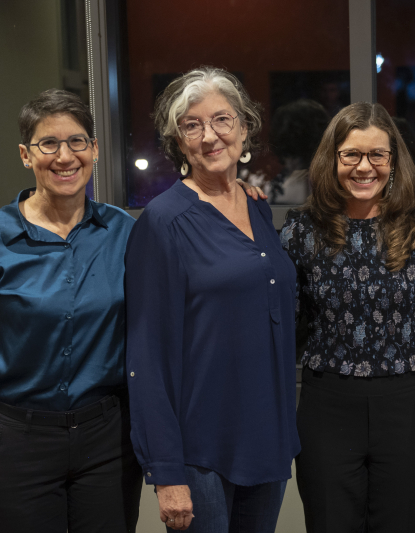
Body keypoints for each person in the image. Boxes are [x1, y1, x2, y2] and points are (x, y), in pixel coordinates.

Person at [0, 89, 143, 532]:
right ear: (24, 155)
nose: (63, 156)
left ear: (93, 149)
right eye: (47, 143)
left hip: (107, 441)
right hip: (17, 441)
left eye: (76, 142)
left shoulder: (125, 233)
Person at [125, 67, 299, 532]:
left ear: (245, 129)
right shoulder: (163, 222)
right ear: (177, 141)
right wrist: (166, 472)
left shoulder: (258, 205)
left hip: (267, 436)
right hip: (200, 450)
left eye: (222, 120)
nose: (210, 136)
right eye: (192, 125)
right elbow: (147, 355)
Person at [281, 102, 415, 533]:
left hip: (405, 411)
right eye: (351, 155)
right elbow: (284, 327)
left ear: (393, 161)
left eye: (377, 155)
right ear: (333, 159)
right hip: (326, 408)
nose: (364, 167)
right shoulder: (301, 230)